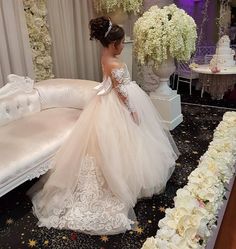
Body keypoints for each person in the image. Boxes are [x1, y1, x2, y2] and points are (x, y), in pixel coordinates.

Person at [27, 16, 179, 235]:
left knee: (117, 143)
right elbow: (121, 92)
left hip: (106, 101)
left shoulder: (105, 57)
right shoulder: (115, 63)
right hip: (118, 104)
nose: (121, 47)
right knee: (124, 141)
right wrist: (133, 110)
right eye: (120, 43)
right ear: (112, 44)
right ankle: (124, 181)